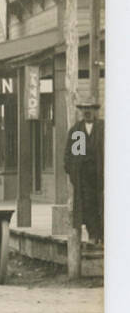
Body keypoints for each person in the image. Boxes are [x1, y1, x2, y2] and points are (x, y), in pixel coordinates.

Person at [64, 92, 104, 245]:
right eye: (85, 109)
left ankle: (105, 236)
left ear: (95, 110)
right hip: (86, 179)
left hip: (103, 177)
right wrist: (75, 176)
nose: (87, 112)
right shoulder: (78, 131)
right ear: (81, 111)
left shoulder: (103, 128)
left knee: (105, 205)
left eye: (91, 108)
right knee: (88, 207)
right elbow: (73, 159)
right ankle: (93, 236)